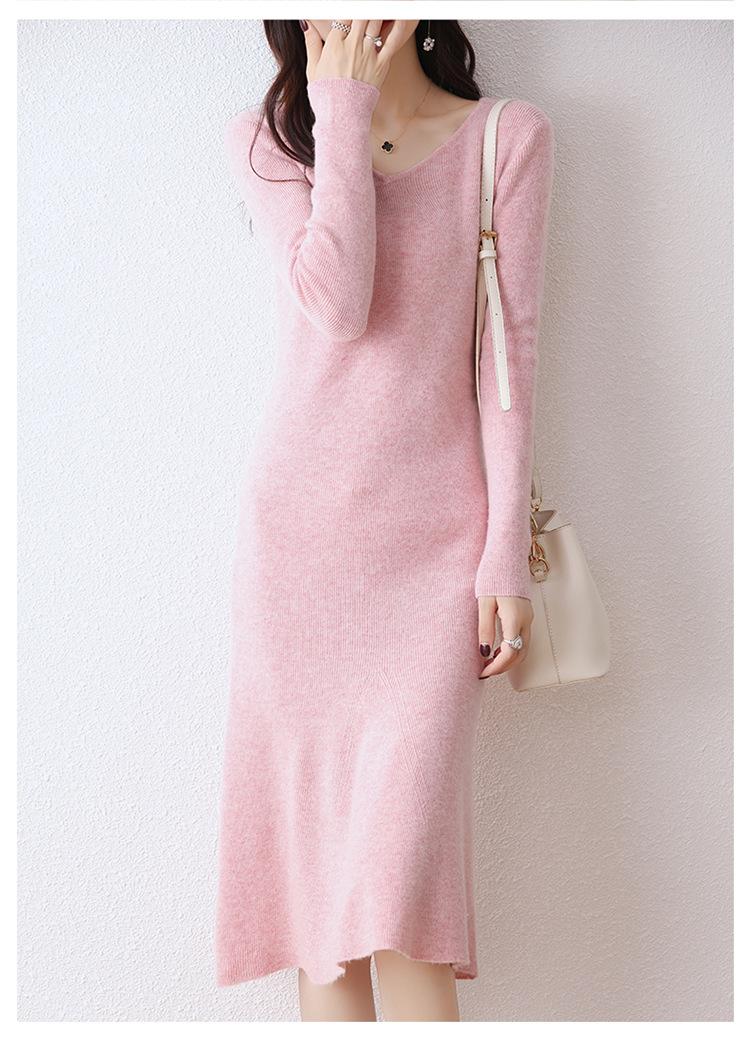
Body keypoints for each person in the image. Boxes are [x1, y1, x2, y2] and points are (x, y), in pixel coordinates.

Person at [215, 18, 554, 1021]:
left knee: (406, 909)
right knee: (324, 922)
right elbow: (339, 305)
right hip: (298, 555)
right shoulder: (271, 140)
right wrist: (341, 109)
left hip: (434, 559)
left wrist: (504, 554)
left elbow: (508, 357)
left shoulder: (508, 137)